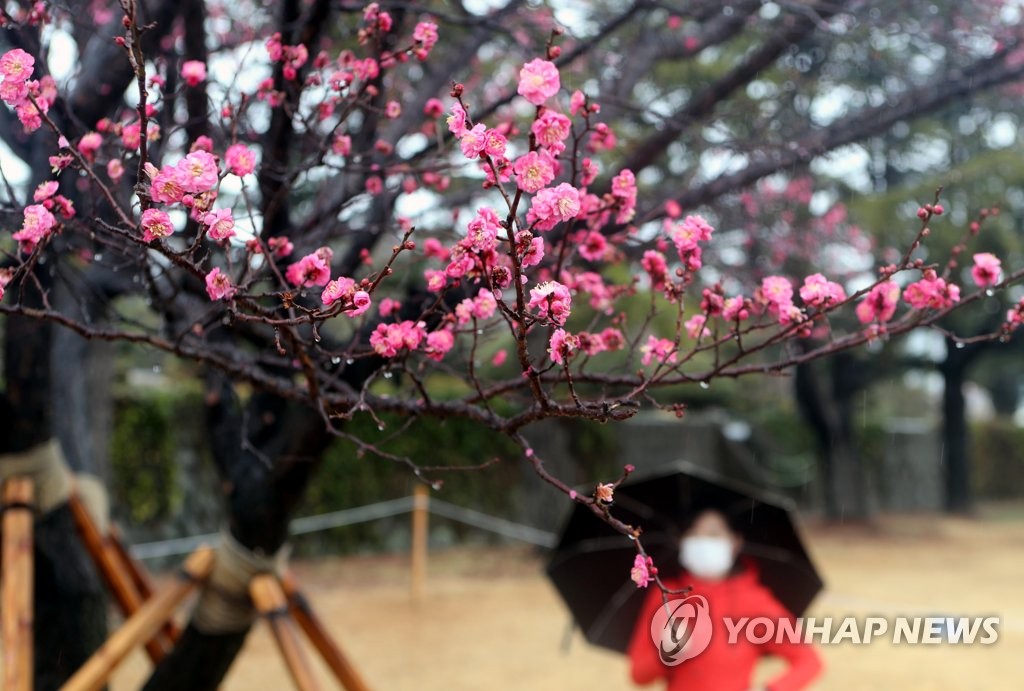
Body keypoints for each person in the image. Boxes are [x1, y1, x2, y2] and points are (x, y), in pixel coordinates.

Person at [627, 508, 823, 690]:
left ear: (735, 542)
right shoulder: (666, 594)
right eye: (694, 534)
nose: (702, 541)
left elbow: (808, 661)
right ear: (682, 541)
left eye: (713, 534)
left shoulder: (754, 601)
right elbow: (638, 675)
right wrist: (667, 655)